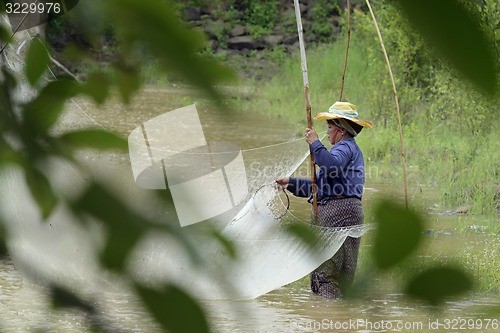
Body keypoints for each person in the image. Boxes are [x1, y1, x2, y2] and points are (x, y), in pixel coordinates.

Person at [276, 101, 373, 299]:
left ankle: (327, 320)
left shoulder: (344, 148)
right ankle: (341, 322)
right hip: (352, 210)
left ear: (341, 130)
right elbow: (322, 186)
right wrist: (291, 184)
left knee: (326, 274)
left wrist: (314, 143)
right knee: (344, 275)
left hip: (334, 212)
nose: (326, 133)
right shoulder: (351, 151)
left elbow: (331, 166)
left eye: (329, 128)